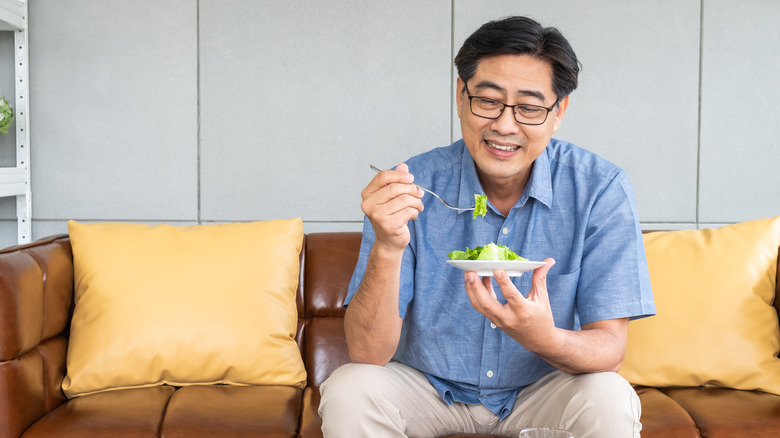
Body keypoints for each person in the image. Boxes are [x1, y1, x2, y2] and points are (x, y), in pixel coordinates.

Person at [319, 15, 656, 438]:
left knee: (609, 395)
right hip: (428, 389)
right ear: (462, 96)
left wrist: (543, 337)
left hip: (541, 390)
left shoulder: (599, 188)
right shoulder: (411, 185)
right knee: (351, 388)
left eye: (530, 108)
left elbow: (609, 349)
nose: (504, 125)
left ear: (558, 112)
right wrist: (387, 245)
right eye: (488, 100)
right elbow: (367, 352)